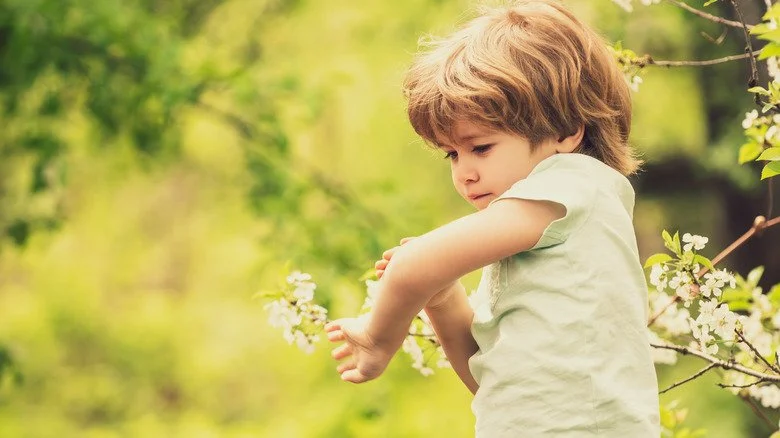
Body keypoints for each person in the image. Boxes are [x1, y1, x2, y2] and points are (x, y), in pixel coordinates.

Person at [324, 0, 660, 435]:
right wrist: (442, 299)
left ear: (565, 132)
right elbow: (492, 386)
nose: (464, 173)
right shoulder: (534, 238)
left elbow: (411, 267)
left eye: (481, 148)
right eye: (452, 154)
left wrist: (376, 338)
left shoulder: (571, 183)